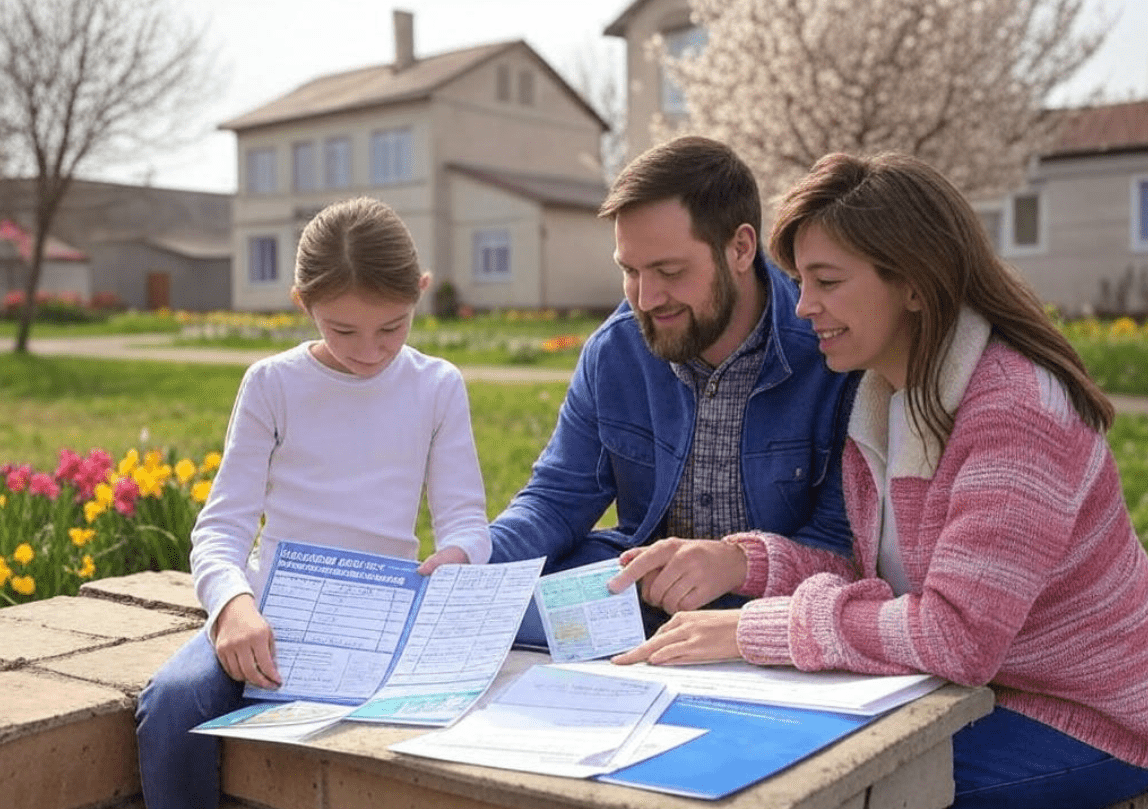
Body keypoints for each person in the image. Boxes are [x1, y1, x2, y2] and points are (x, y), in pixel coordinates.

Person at [611, 151, 1148, 808]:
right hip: (956, 693)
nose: (804, 307)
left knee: (821, 790)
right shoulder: (885, 396)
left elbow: (957, 636)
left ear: (915, 284)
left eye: (828, 281)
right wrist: (735, 562)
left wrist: (751, 630)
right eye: (801, 281)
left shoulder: (1015, 410)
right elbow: (865, 569)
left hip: (1081, 718)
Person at [135, 196, 491, 809]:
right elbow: (222, 528)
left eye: (393, 326)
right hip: (278, 615)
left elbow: (465, 519)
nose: (371, 351)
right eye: (343, 329)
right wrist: (233, 609)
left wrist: (457, 556)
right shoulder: (273, 385)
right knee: (172, 702)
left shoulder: (436, 386)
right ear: (304, 303)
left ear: (421, 292)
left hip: (391, 611)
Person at [489, 135, 858, 645]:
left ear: (741, 248)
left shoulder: (829, 351)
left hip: (767, 623)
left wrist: (735, 564)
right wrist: (471, 559)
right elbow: (556, 500)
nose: (646, 297)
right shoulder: (616, 350)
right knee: (493, 617)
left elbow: (843, 549)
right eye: (630, 271)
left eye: (669, 271)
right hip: (635, 611)